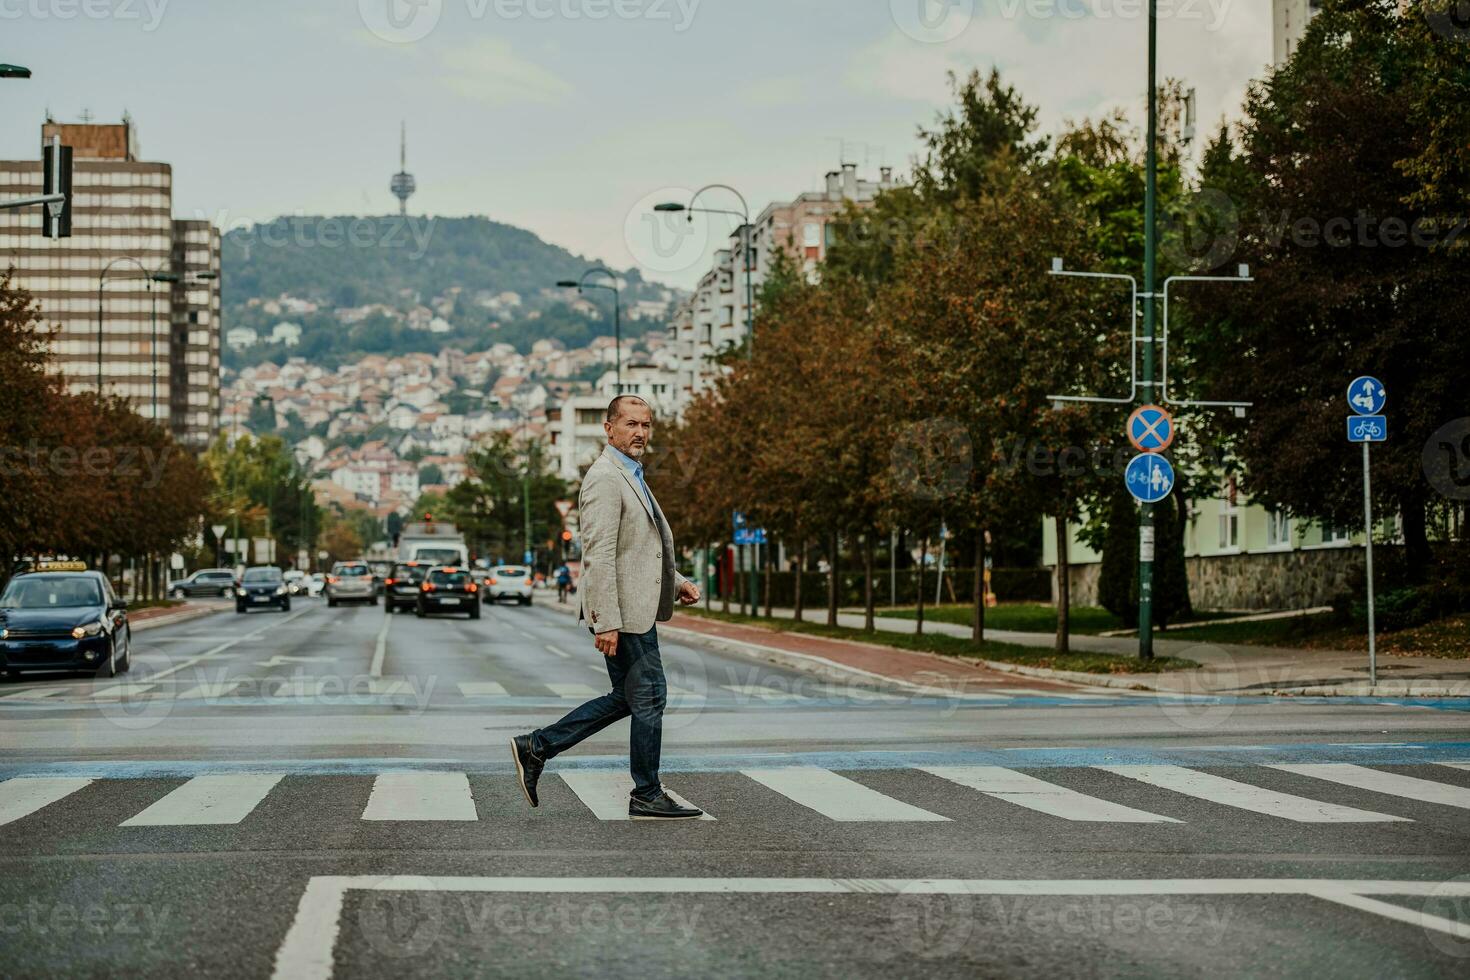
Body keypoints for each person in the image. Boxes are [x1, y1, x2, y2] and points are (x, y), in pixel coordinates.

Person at [510, 395, 703, 820]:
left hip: (634, 608)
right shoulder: (605, 477)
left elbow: (639, 551)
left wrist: (679, 583)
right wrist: (605, 622)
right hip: (623, 614)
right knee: (650, 696)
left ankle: (537, 746)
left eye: (646, 425)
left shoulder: (630, 474)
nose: (640, 433)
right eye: (631, 424)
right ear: (609, 428)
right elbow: (599, 553)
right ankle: (646, 792)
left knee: (631, 697)